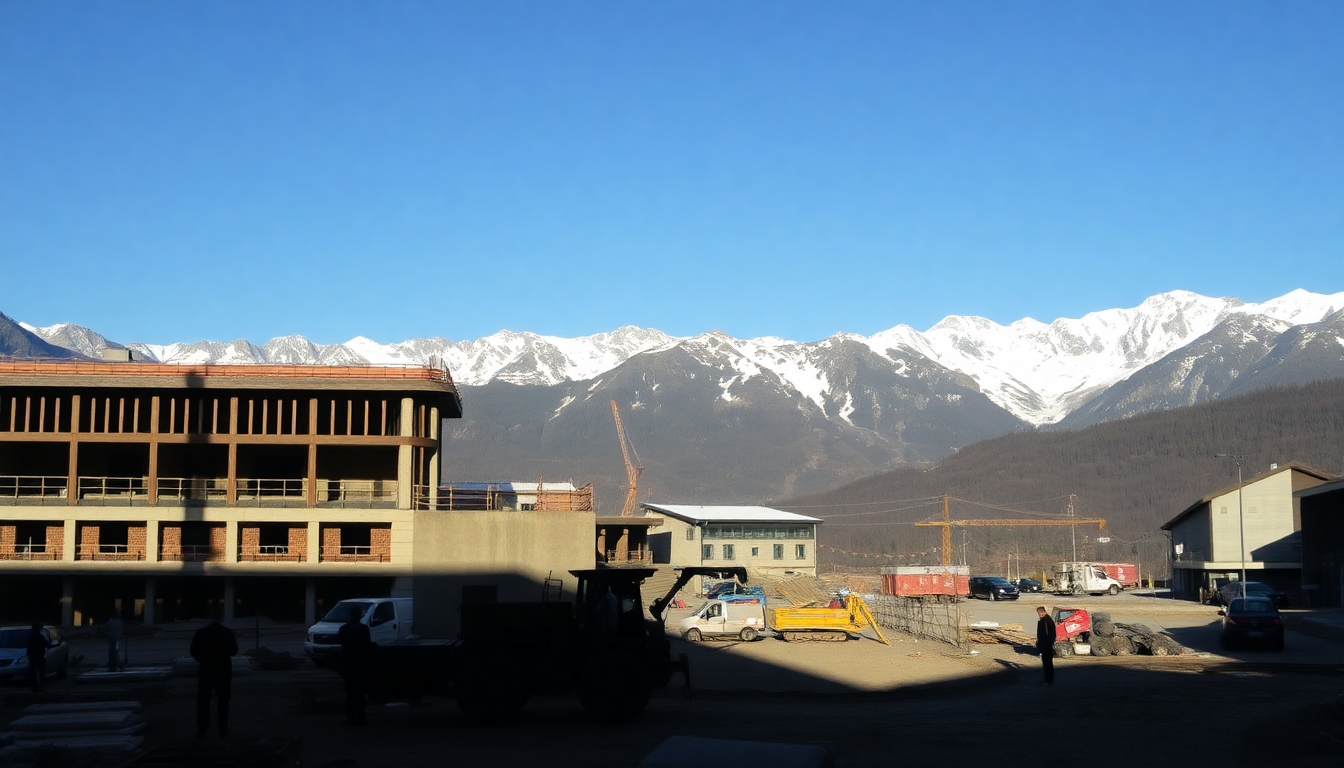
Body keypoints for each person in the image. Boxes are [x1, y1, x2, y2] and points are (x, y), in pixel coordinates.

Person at [190, 618, 238, 738]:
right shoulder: (228, 632)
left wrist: (201, 659)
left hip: (206, 669)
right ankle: (223, 729)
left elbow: (193, 650)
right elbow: (234, 651)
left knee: (203, 700)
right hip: (223, 671)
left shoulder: (201, 632)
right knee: (223, 701)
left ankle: (202, 730)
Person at [337, 607, 373, 726]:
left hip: (348, 664)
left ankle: (350, 718)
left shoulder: (343, 629)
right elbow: (367, 647)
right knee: (360, 693)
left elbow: (342, 645)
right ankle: (361, 718)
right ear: (359, 615)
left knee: (350, 693)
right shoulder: (363, 629)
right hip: (360, 665)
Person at [1035, 606, 1056, 685]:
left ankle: (1049, 680)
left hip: (1047, 645)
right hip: (1044, 644)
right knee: (1045, 662)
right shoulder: (1044, 620)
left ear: (1042, 612)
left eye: (1039, 613)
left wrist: (1047, 643)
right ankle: (1046, 678)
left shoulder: (1046, 620)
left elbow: (1048, 634)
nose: (1038, 615)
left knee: (1048, 663)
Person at [25, 623, 47, 692]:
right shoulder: (39, 636)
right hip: (38, 655)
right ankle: (39, 687)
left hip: (32, 656)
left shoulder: (30, 636)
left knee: (33, 672)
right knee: (40, 672)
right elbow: (45, 643)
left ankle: (34, 687)